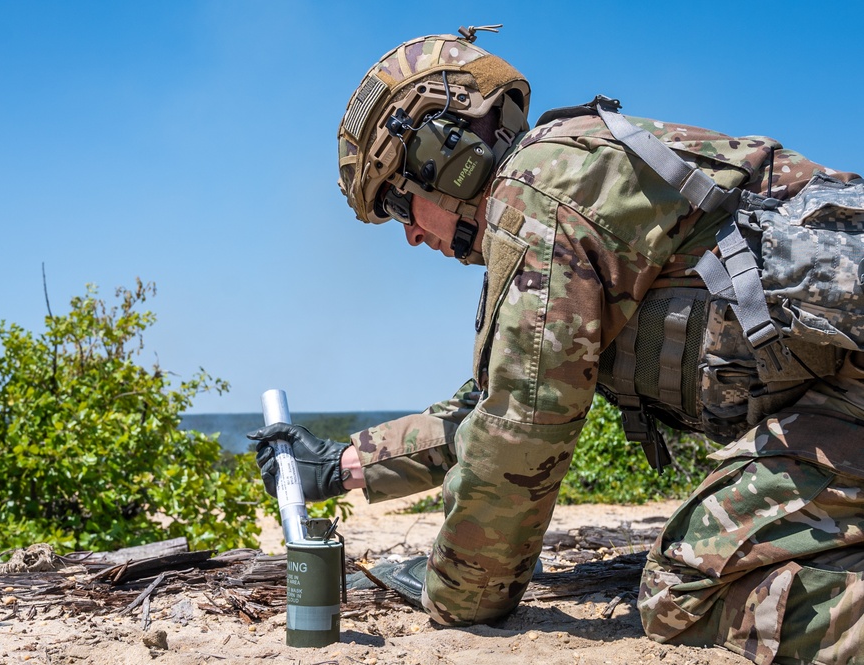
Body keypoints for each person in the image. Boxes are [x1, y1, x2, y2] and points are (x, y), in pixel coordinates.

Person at [249, 25, 864, 664]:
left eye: (401, 208)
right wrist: (347, 463)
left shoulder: (537, 197)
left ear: (442, 152)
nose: (410, 236)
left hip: (848, 397)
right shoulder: (561, 175)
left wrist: (456, 596)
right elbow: (492, 407)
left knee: (682, 593)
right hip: (838, 399)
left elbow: (522, 430)